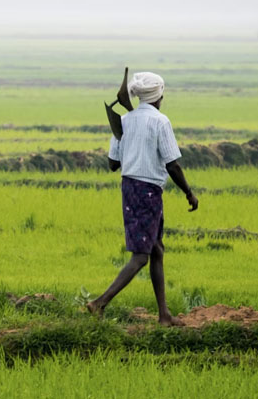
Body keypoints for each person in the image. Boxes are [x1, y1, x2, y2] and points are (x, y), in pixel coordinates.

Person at [86, 72, 199, 326]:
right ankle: (99, 303)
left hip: (130, 188)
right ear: (159, 95)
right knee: (141, 256)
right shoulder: (160, 122)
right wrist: (189, 193)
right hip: (148, 191)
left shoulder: (124, 121)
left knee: (156, 248)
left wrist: (124, 139)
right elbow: (172, 164)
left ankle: (164, 315)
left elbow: (113, 164)